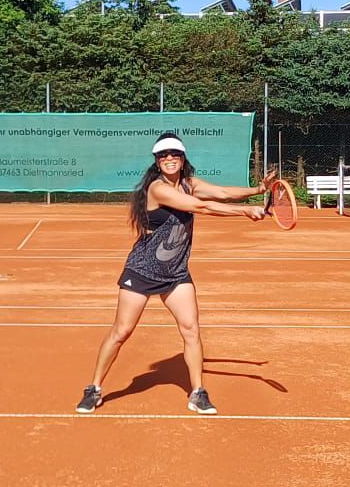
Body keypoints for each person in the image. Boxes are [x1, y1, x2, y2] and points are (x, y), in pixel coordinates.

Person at [76, 133, 267, 416]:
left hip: (176, 272)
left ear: (182, 158)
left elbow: (223, 193)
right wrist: (245, 213)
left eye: (174, 154)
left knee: (191, 330)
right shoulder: (158, 189)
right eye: (163, 155)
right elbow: (200, 207)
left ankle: (198, 392)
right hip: (142, 270)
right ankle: (93, 388)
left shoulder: (190, 184)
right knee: (121, 331)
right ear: (156, 160)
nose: (169, 159)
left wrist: (257, 190)